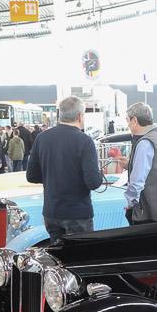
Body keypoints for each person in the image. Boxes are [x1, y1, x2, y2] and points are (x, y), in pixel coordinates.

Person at [26, 97, 101, 244]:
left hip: (51, 213)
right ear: (80, 116)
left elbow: (31, 176)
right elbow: (93, 182)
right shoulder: (84, 141)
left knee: (58, 260)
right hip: (76, 213)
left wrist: (54, 176)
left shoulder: (42, 138)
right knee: (79, 261)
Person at [122, 102, 157, 225]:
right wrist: (130, 165)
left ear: (135, 120)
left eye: (128, 120)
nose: (128, 125)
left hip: (146, 213)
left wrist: (130, 203)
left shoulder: (144, 143)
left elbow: (137, 181)